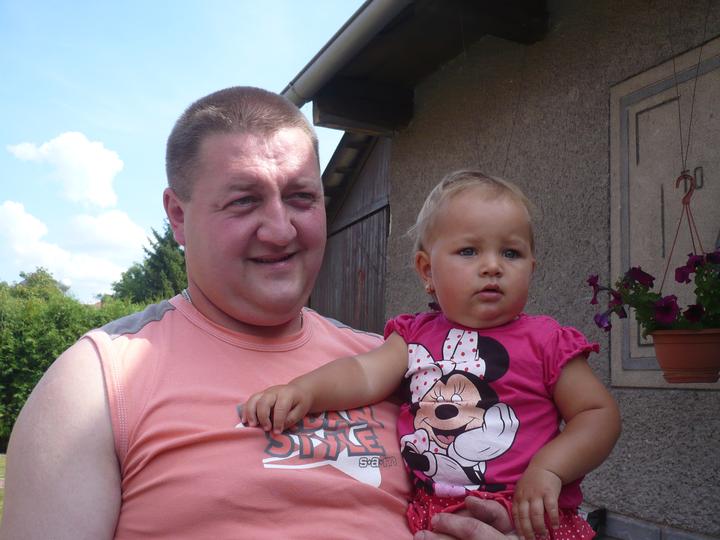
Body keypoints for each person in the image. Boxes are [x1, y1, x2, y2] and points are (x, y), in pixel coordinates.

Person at [0, 87, 517, 540]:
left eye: (301, 198)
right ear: (178, 215)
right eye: (245, 201)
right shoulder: (98, 383)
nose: (280, 230)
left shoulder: (392, 363)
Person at [242, 170, 622, 540]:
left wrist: (550, 469)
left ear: (531, 269)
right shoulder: (414, 336)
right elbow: (362, 373)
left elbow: (597, 414)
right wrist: (304, 391)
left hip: (530, 518)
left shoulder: (548, 341)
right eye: (469, 251)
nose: (493, 266)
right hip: (433, 515)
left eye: (512, 253)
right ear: (427, 270)